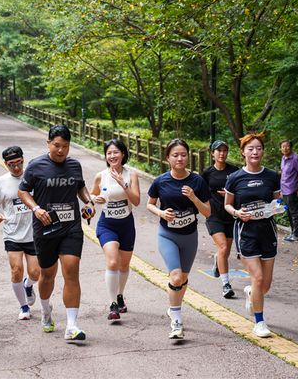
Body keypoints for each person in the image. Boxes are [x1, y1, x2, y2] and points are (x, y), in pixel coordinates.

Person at [18, 124, 95, 341]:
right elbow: (22, 190)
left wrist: (88, 202)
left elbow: (80, 186)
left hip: (71, 227)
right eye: (57, 146)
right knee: (48, 275)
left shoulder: (74, 165)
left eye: (66, 146)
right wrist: (36, 208)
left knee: (71, 271)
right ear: (49, 143)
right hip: (46, 228)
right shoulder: (35, 166)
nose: (61, 151)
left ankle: (72, 325)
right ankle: (45, 310)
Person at [147, 139, 212, 339]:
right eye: (175, 155)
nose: (179, 158)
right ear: (167, 158)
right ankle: (176, 320)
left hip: (189, 237)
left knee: (183, 280)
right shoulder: (160, 181)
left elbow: (208, 212)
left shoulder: (197, 181)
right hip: (167, 235)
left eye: (183, 154)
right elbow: (150, 204)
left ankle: (173, 307)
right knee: (175, 277)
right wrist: (161, 213)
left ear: (188, 156)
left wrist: (193, 198)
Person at [224, 133, 281, 338]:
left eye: (258, 148)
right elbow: (227, 204)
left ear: (262, 152)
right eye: (250, 149)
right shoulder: (235, 178)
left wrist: (276, 208)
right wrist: (237, 213)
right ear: (243, 152)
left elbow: (277, 202)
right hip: (245, 231)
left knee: (264, 285)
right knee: (257, 277)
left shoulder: (272, 176)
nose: (255, 152)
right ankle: (260, 323)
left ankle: (250, 292)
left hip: (267, 230)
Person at [0, 146, 40, 320]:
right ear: (5, 164)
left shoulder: (33, 178)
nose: (16, 168)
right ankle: (24, 307)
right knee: (16, 270)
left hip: (33, 233)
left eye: (19, 163)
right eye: (11, 165)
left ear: (23, 159)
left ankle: (28, 285)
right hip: (12, 232)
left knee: (35, 273)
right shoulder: (1, 182)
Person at [90, 139, 140, 320]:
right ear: (106, 156)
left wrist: (122, 183)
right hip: (107, 225)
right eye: (109, 153)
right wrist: (95, 199)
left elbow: (136, 201)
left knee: (123, 265)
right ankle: (113, 305)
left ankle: (119, 295)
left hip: (126, 225)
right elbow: (92, 194)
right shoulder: (100, 176)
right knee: (112, 262)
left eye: (116, 152)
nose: (113, 156)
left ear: (123, 154)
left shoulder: (131, 175)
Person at [202, 140, 240, 298]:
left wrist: (232, 195)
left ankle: (218, 261)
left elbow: (241, 191)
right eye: (218, 151)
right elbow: (201, 192)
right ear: (212, 153)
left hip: (230, 216)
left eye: (225, 150)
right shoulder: (207, 173)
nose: (222, 153)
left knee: (225, 252)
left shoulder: (235, 171)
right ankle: (226, 284)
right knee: (223, 248)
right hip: (214, 215)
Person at [280, 140, 298, 242]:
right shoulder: (283, 158)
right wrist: (281, 190)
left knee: (294, 212)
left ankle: (297, 235)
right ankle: (293, 233)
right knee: (289, 212)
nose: (285, 148)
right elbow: (283, 175)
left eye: (287, 146)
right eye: (283, 146)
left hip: (292, 189)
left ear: (291, 147)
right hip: (284, 190)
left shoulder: (295, 159)